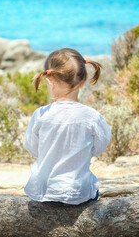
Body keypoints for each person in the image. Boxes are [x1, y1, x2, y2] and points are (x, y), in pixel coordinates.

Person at [24, 48, 111, 205]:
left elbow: (32, 148)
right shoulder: (92, 117)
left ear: (50, 82)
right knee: (92, 186)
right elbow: (101, 146)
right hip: (77, 193)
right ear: (83, 81)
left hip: (43, 191)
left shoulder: (41, 115)